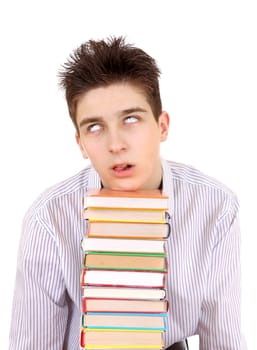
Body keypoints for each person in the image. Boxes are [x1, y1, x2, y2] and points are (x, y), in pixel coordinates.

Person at [9, 36, 246, 349]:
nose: (115, 144)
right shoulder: (49, 218)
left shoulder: (216, 207)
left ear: (162, 126)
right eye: (94, 127)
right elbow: (33, 344)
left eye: (131, 119)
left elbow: (223, 338)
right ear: (80, 142)